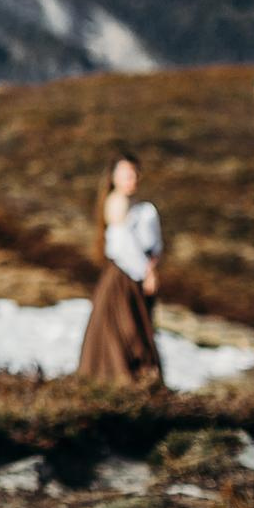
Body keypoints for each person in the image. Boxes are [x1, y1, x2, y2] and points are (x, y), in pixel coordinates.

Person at [75, 150, 165, 387]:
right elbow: (124, 246)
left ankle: (137, 381)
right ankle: (123, 379)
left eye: (134, 174)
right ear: (114, 177)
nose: (131, 179)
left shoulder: (137, 205)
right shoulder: (117, 203)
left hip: (134, 275)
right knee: (125, 329)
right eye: (126, 174)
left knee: (136, 327)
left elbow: (149, 244)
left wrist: (151, 267)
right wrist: (147, 272)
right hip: (124, 277)